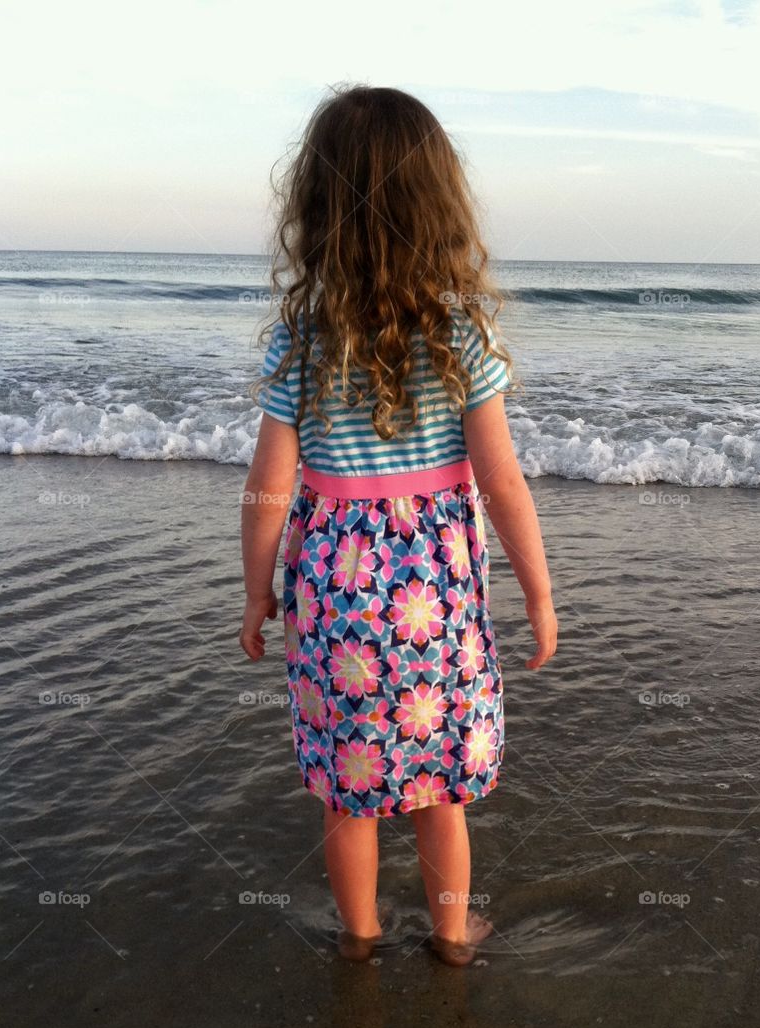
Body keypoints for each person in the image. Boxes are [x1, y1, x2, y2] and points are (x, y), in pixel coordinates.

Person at [239, 85, 557, 966]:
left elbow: (268, 487)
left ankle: (360, 940)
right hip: (438, 607)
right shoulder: (461, 333)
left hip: (336, 599)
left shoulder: (302, 339)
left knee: (350, 796)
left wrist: (256, 592)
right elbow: (501, 482)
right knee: (437, 794)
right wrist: (539, 593)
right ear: (439, 206)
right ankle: (453, 934)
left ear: (316, 207)